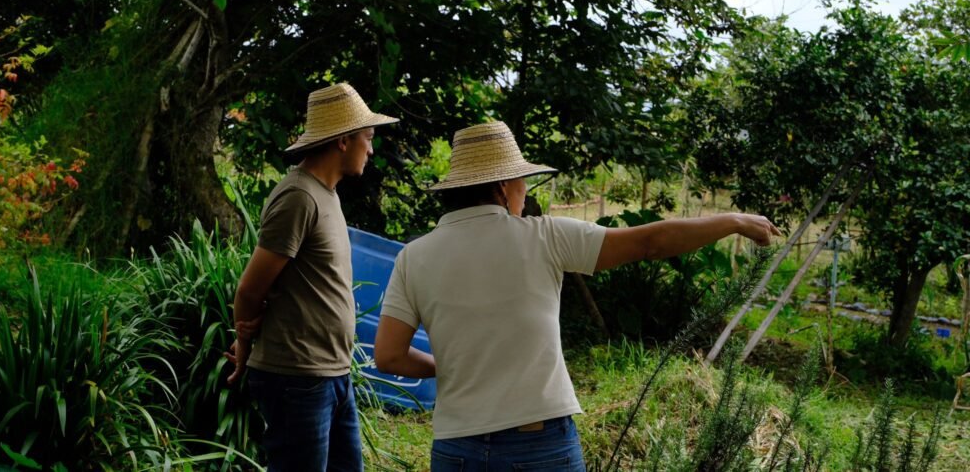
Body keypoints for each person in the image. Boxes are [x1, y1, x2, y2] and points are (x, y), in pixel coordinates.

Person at [374, 121, 780, 471]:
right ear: (502, 186)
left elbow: (389, 356)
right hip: (537, 443)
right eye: (522, 182)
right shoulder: (544, 236)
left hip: (454, 447)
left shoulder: (414, 256)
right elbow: (650, 243)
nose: (524, 192)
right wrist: (733, 220)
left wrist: (451, 367)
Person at [225, 82, 398, 472]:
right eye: (367, 138)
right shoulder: (298, 197)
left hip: (332, 373)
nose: (371, 149)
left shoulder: (327, 195)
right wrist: (245, 343)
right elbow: (250, 290)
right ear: (342, 141)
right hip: (297, 377)